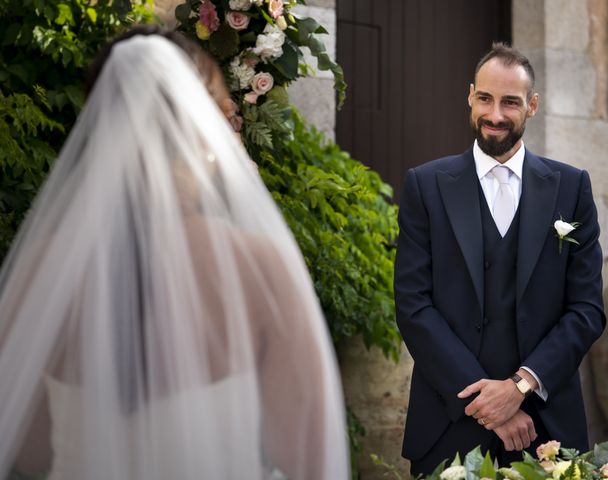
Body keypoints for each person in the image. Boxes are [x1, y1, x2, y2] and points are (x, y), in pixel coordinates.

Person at [0, 26, 349, 480]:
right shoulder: (256, 267)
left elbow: (27, 450)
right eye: (225, 117)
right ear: (198, 131)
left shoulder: (42, 269)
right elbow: (309, 457)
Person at [394, 42, 606, 476]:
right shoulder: (425, 186)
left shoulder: (572, 188)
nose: (495, 115)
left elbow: (586, 310)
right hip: (447, 423)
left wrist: (521, 386)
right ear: (470, 96)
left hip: (546, 427)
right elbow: (414, 306)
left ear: (532, 106)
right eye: (485, 98)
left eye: (510, 102)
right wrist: (490, 404)